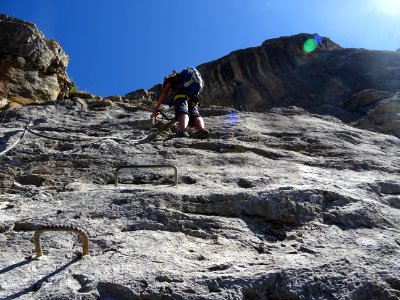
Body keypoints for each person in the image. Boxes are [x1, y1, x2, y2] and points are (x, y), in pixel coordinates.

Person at [152, 67, 210, 138]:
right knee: (195, 114)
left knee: (182, 111)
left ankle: (182, 131)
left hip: (182, 94)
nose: (171, 90)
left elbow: (165, 92)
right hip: (194, 96)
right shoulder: (184, 78)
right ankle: (202, 130)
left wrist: (156, 109)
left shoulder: (170, 79)